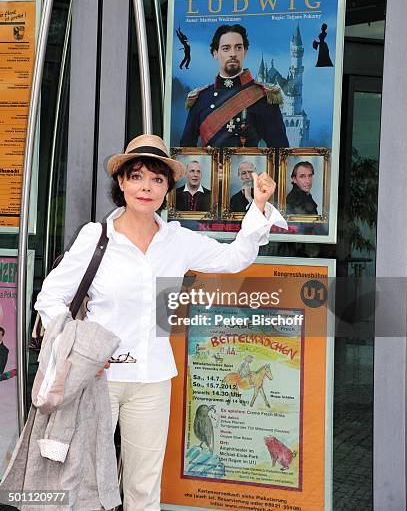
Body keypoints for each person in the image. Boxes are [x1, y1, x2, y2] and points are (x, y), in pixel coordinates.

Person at [34, 133, 287, 511]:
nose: (146, 187)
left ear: (169, 187)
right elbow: (50, 298)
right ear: (121, 184)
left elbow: (234, 259)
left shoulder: (177, 241)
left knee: (143, 487)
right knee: (84, 481)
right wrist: (79, 348)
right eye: (136, 177)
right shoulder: (97, 237)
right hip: (99, 379)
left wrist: (260, 205)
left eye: (157, 179)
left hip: (152, 379)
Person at [180, 24, 289, 149]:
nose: (233, 54)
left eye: (238, 48)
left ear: (245, 52)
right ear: (215, 53)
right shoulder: (201, 98)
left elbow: (280, 151)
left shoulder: (263, 97)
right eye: (226, 48)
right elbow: (186, 149)